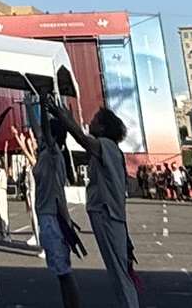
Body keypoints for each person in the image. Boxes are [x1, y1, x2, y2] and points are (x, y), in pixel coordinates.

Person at [36, 93, 137, 308]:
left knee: (119, 272)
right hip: (108, 213)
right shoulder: (110, 149)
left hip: (107, 213)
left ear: (103, 127)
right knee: (118, 270)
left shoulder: (105, 145)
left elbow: (82, 139)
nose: (90, 122)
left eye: (95, 120)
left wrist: (63, 117)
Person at [27, 103, 82, 308]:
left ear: (53, 137)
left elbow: (43, 131)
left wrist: (42, 103)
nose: (40, 136)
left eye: (46, 133)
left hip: (53, 217)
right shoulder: (45, 154)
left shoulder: (53, 154)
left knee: (64, 272)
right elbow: (37, 130)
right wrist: (29, 106)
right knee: (60, 273)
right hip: (46, 215)